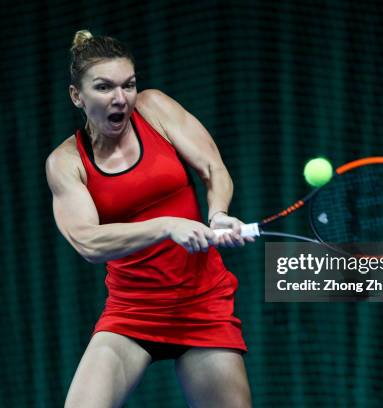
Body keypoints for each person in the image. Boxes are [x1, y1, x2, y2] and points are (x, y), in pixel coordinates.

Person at [45, 30, 254, 408]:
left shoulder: (154, 109)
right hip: (131, 313)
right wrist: (166, 226)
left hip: (201, 303)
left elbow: (213, 167)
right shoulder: (67, 163)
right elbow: (87, 241)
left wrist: (218, 213)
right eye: (105, 88)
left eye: (129, 85)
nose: (121, 99)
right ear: (77, 95)